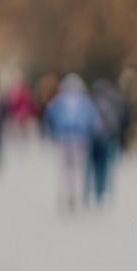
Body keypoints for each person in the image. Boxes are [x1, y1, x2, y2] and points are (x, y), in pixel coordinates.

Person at [44, 74, 100, 212]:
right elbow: (94, 120)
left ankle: (64, 194)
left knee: (64, 168)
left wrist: (52, 133)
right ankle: (75, 195)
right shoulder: (85, 101)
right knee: (78, 169)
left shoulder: (59, 100)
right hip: (80, 138)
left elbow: (49, 115)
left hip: (64, 137)